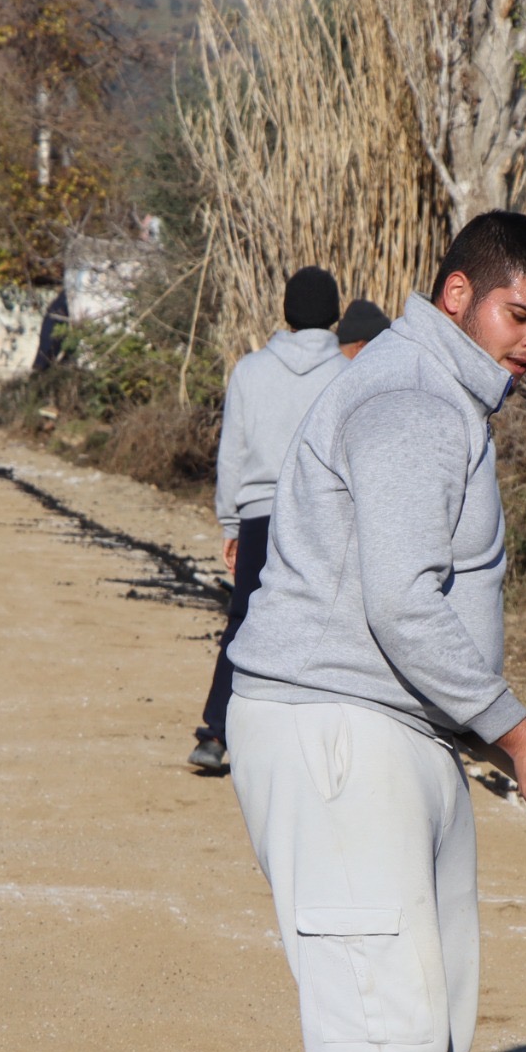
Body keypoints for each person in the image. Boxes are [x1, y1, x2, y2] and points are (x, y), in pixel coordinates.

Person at [222, 212, 526, 1052]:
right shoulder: (418, 405)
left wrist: (476, 725)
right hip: (337, 729)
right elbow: (401, 605)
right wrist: (516, 727)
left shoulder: (438, 396)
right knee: (378, 1015)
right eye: (516, 314)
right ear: (458, 290)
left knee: (425, 1018)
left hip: (393, 728)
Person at [186, 266, 348, 773]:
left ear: (286, 313)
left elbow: (230, 454)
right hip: (319, 515)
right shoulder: (347, 375)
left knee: (243, 622)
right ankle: (305, 745)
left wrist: (230, 523)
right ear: (336, 314)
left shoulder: (251, 371)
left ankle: (215, 735)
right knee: (322, 624)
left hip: (258, 515)